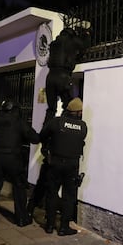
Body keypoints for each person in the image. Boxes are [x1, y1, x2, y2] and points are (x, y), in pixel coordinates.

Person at [0, 100, 40, 231]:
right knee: (19, 189)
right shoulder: (19, 121)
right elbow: (34, 138)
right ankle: (22, 219)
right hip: (13, 159)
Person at [40, 97, 87, 236]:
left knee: (52, 193)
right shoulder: (83, 126)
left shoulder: (56, 122)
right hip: (72, 165)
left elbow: (42, 135)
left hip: (55, 162)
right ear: (79, 112)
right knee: (69, 196)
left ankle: (49, 225)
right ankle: (64, 227)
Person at [44, 27, 90, 126]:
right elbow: (84, 46)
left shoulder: (54, 44)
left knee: (51, 108)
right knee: (69, 106)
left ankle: (45, 132)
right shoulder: (72, 40)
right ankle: (64, 129)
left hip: (50, 77)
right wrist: (86, 34)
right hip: (63, 76)